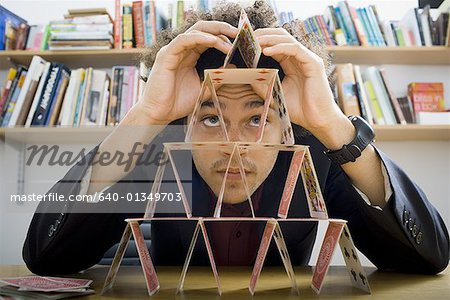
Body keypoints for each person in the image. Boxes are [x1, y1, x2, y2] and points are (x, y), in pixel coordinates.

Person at [23, 1, 449, 275]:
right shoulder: (155, 153)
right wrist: (146, 115)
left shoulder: (315, 156)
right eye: (210, 119)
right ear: (185, 123)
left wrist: (332, 124)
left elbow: (427, 258)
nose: (234, 143)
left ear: (287, 125)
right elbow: (46, 257)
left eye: (257, 117)